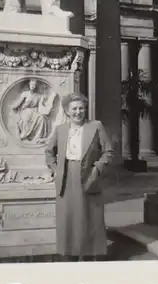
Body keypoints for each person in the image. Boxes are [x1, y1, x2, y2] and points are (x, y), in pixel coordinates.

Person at [45, 93, 117, 261]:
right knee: (68, 218)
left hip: (88, 176)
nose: (78, 112)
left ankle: (90, 255)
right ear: (67, 111)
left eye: (81, 108)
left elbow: (109, 151)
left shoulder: (96, 126)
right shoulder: (61, 130)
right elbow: (49, 152)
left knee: (89, 216)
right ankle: (69, 254)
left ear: (86, 110)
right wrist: (55, 169)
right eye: (74, 109)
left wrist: (97, 169)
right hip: (66, 178)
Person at [11, 79, 55, 144]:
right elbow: (19, 103)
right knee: (27, 120)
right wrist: (14, 107)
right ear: (29, 85)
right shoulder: (25, 94)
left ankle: (38, 137)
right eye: (32, 84)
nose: (33, 86)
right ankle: (24, 136)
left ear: (36, 86)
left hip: (35, 111)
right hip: (26, 110)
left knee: (42, 118)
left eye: (34, 85)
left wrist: (51, 100)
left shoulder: (39, 95)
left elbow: (41, 105)